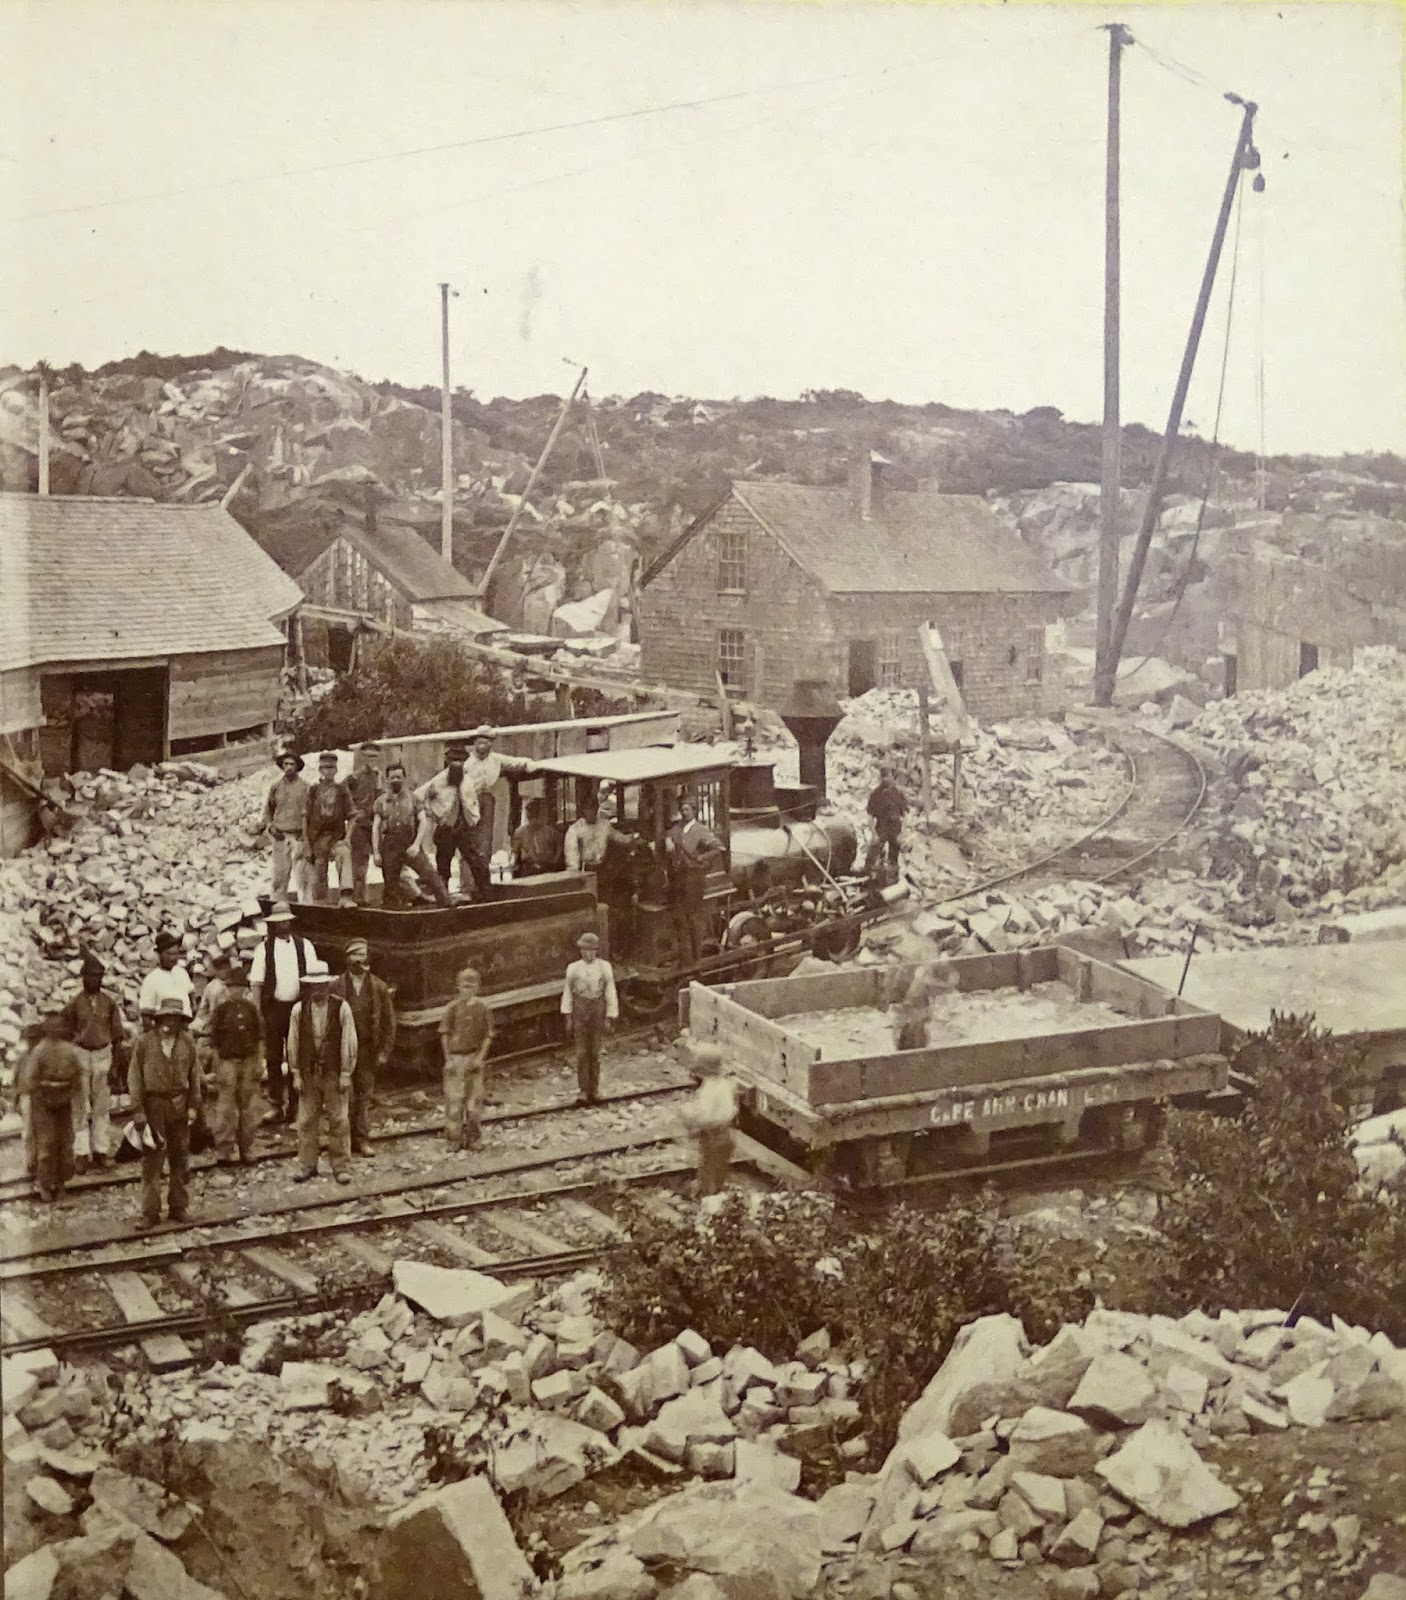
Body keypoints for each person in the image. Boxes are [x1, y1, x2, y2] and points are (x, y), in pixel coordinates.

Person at [129, 997, 202, 1226]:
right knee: (152, 1160)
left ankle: (178, 1206)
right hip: (154, 1105)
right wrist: (138, 1110)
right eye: (166, 1017)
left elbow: (195, 1077)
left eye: (175, 1018)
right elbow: (135, 1078)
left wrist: (193, 1106)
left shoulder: (187, 1043)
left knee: (180, 1158)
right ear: (159, 1019)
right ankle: (150, 1212)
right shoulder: (144, 1043)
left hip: (179, 1103)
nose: (170, 1022)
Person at [287, 963, 357, 1184]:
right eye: (314, 986)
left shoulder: (342, 1008)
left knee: (339, 1120)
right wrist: (295, 1073)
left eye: (321, 985)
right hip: (309, 1073)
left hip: (334, 1072)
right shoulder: (299, 1010)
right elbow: (293, 1042)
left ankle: (341, 1167)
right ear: (309, 987)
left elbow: (349, 1040)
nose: (318, 990)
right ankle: (307, 1166)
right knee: (306, 1121)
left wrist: (346, 1072)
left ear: (328, 985)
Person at [249, 902, 318, 1124]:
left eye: (286, 921)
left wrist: (310, 1007)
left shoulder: (304, 945)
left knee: (298, 1057)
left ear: (291, 921)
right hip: (274, 1008)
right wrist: (259, 1011)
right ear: (273, 924)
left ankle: (296, 1105)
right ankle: (276, 1104)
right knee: (273, 1058)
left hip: (298, 1008)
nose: (283, 925)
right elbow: (257, 982)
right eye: (279, 922)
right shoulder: (264, 948)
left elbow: (313, 978)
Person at [59, 953, 127, 1171]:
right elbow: (63, 1029)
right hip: (81, 1054)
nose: (94, 980)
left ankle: (101, 1150)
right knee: (80, 1106)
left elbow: (117, 1036)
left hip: (103, 1054)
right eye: (90, 976)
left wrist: (115, 1065)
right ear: (83, 977)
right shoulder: (75, 1003)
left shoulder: (109, 1003)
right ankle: (81, 1152)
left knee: (101, 1106)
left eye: (98, 976)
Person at [332, 938, 395, 1156]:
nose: (361, 959)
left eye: (364, 955)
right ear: (348, 958)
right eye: (356, 955)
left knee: (364, 1097)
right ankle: (345, 1141)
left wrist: (384, 1052)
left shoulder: (378, 987)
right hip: (343, 1051)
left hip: (368, 1050)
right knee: (345, 1097)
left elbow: (389, 1022)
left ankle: (362, 1139)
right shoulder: (336, 986)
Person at [17, 1013, 83, 1202]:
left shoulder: (69, 1051)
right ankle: (45, 1185)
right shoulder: (39, 1052)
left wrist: (73, 1098)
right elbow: (30, 1081)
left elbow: (78, 1078)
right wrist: (46, 1089)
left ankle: (60, 1184)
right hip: (43, 1105)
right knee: (45, 1146)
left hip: (63, 1104)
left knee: (65, 1145)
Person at [416, 744, 490, 899]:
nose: (457, 764)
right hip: (447, 828)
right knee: (443, 864)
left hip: (465, 827)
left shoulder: (467, 780)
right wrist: (432, 813)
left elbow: (472, 801)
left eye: (460, 761)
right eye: (454, 761)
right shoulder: (438, 781)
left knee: (477, 862)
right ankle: (443, 897)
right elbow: (418, 796)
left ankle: (486, 894)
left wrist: (474, 818)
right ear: (448, 762)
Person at [373, 761, 452, 907]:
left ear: (404, 778)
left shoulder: (413, 799)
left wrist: (416, 845)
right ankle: (393, 909)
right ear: (387, 779)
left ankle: (446, 903)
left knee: (429, 873)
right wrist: (376, 852)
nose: (395, 780)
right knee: (390, 883)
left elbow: (423, 822)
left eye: (398, 777)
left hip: (409, 842)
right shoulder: (381, 801)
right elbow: (375, 828)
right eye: (392, 777)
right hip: (390, 845)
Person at [208, 959, 264, 1165]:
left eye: (240, 987)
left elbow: (259, 1037)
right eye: (232, 987)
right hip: (228, 1061)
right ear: (227, 988)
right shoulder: (221, 1010)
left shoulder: (251, 1009)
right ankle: (224, 1150)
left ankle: (247, 1148)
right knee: (226, 1108)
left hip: (248, 1060)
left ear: (245, 988)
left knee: (248, 1108)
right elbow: (215, 1041)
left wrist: (259, 1062)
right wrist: (218, 1067)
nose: (236, 991)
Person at [560, 930, 617, 1105]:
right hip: (580, 1009)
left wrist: (609, 1016)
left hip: (597, 1008)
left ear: (596, 951)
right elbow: (567, 993)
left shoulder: (604, 967)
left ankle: (595, 1089)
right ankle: (583, 1090)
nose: (588, 954)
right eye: (584, 950)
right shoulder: (573, 968)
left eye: (591, 950)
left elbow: (610, 991)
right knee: (581, 1053)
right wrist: (568, 1017)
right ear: (580, 951)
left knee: (595, 1052)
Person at [439, 965, 491, 1150]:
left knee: (474, 1103)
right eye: (464, 986)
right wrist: (448, 1059)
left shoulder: (483, 1008)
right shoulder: (452, 1009)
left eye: (471, 986)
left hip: (473, 1057)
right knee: (454, 1102)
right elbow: (445, 1035)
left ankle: (474, 1137)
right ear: (458, 987)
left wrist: (480, 1058)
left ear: (477, 988)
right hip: (456, 1058)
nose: (467, 990)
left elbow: (487, 1036)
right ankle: (454, 1139)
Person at [666, 799, 722, 964]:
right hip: (678, 879)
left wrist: (701, 858)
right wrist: (667, 841)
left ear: (694, 811)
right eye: (682, 810)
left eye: (687, 810)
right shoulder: (676, 829)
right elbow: (668, 838)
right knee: (680, 919)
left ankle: (697, 958)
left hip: (694, 879)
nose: (684, 813)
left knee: (693, 919)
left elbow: (718, 848)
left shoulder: (701, 830)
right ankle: (685, 959)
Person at [679, 1043, 739, 1197]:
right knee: (716, 1170)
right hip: (724, 1135)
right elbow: (732, 1110)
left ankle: (709, 1199)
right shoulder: (725, 1084)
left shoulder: (709, 1089)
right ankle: (712, 1194)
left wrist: (688, 1114)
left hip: (714, 1137)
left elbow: (705, 1117)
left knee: (710, 1171)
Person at [305, 751, 355, 906]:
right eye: (325, 768)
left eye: (331, 768)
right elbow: (304, 818)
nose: (328, 771)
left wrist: (347, 839)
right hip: (317, 839)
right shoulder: (313, 790)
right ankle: (321, 903)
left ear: (336, 770)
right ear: (320, 770)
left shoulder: (342, 790)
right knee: (318, 872)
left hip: (336, 837)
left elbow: (352, 815)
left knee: (344, 853)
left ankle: (346, 896)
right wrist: (306, 844)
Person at [264, 751, 311, 897]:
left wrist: (306, 836)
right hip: (280, 836)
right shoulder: (276, 787)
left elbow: (311, 814)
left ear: (297, 767)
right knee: (280, 875)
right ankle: (277, 904)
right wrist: (270, 826)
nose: (289, 767)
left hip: (298, 836)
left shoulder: (306, 787)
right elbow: (268, 810)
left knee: (303, 877)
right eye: (286, 764)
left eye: (292, 764)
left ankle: (306, 906)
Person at [344, 742, 383, 904]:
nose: (372, 760)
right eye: (369, 756)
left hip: (375, 823)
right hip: (360, 824)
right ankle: (359, 897)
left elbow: (381, 797)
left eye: (375, 757)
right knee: (360, 862)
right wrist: (354, 812)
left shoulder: (378, 776)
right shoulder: (354, 778)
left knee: (387, 858)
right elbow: (343, 796)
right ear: (362, 757)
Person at [139, 932, 194, 1027]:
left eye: (175, 953)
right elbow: (146, 1015)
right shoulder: (151, 979)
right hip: (164, 1030)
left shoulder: (182, 973)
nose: (173, 958)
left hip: (184, 1028)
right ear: (159, 954)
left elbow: (191, 995)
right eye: (169, 954)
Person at [866, 768, 908, 871]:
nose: (887, 779)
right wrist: (874, 833)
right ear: (881, 778)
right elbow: (870, 816)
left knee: (893, 859)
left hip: (895, 828)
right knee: (874, 855)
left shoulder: (898, 794)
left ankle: (893, 873)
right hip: (882, 827)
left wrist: (902, 834)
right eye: (885, 777)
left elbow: (905, 815)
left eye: (889, 776)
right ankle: (871, 871)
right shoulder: (875, 794)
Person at [511, 798, 564, 877]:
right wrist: (511, 863)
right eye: (531, 816)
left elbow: (560, 843)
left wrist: (555, 859)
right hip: (528, 869)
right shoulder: (520, 832)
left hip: (547, 868)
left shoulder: (550, 831)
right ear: (527, 816)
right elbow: (514, 852)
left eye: (535, 816)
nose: (533, 820)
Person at [563, 796, 616, 874]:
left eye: (592, 809)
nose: (590, 812)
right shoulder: (575, 829)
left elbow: (618, 837)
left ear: (597, 809)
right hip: (585, 870)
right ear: (582, 810)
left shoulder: (605, 825)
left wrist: (631, 839)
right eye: (586, 809)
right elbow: (571, 853)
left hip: (603, 869)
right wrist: (574, 872)